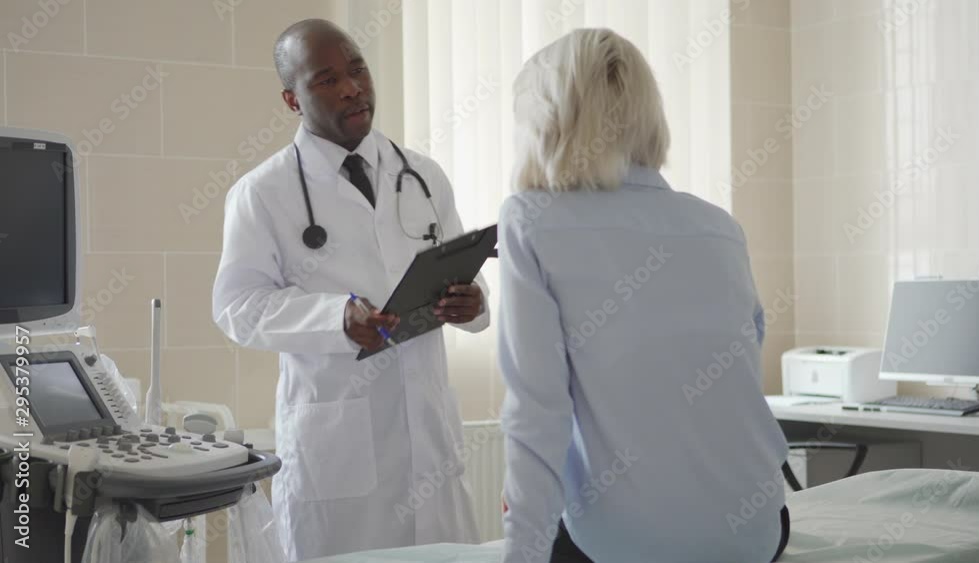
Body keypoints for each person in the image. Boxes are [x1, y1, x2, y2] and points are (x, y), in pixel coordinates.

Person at [497, 29, 789, 563]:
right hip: (757, 534)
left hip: (622, 546)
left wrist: (522, 550)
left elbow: (536, 413)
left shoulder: (529, 220)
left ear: (546, 122)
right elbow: (742, 362)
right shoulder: (719, 226)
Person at [212, 19, 489, 562]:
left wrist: (474, 303)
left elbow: (465, 268)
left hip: (428, 436)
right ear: (292, 99)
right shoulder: (262, 193)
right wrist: (335, 319)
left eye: (358, 69)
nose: (352, 88)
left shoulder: (424, 174)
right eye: (327, 80)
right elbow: (236, 306)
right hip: (337, 453)